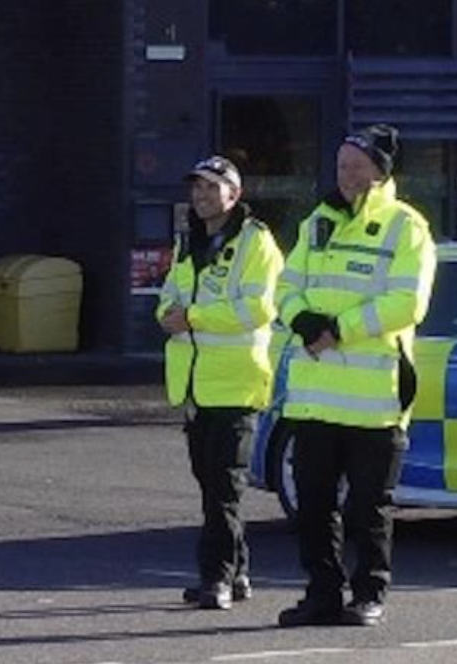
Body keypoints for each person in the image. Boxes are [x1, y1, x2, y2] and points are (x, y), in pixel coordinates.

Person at [274, 124, 436, 627]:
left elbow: (407, 302)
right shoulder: (317, 221)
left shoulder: (405, 226)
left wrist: (337, 329)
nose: (346, 176)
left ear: (380, 171)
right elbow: (286, 285)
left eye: (356, 167)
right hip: (313, 396)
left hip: (374, 398)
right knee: (315, 507)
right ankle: (321, 593)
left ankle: (369, 593)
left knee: (369, 509)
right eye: (341, 166)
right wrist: (302, 320)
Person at [156, 155, 284, 610]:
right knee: (210, 484)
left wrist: (192, 317)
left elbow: (258, 309)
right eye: (197, 188)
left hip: (237, 384)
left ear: (235, 194)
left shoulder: (256, 243)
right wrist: (168, 314)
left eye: (212, 187)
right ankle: (241, 571)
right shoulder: (189, 240)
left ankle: (217, 580)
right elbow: (170, 294)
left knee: (224, 488)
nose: (201, 195)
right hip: (195, 385)